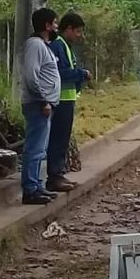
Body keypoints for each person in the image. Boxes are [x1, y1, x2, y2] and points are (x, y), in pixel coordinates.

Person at [46, 12, 92, 192]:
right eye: (78, 31)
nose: (79, 36)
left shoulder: (65, 45)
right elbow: (62, 73)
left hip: (67, 98)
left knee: (62, 139)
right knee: (58, 139)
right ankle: (54, 177)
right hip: (61, 100)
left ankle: (59, 174)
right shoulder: (58, 46)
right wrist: (82, 74)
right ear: (69, 29)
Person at [20, 8, 61, 205]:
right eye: (54, 23)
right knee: (34, 148)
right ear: (46, 25)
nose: (56, 27)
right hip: (38, 105)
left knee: (40, 149)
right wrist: (43, 100)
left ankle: (36, 185)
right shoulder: (35, 45)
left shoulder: (43, 45)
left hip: (45, 104)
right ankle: (30, 189)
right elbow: (31, 77)